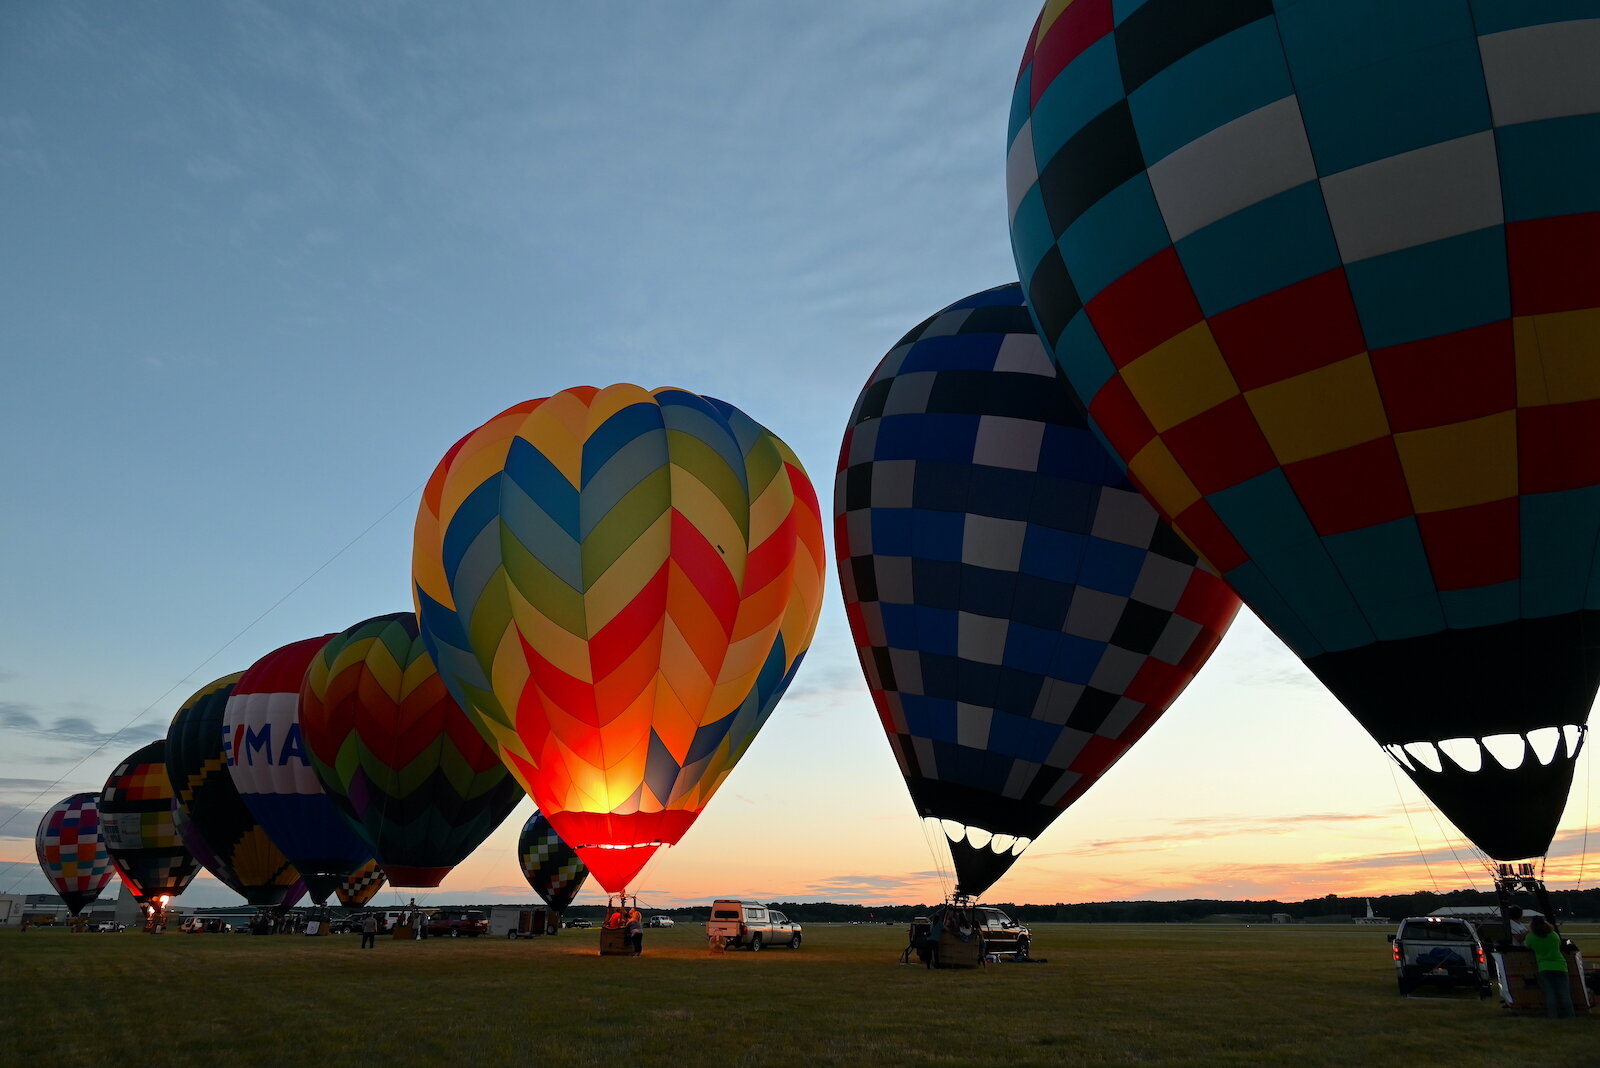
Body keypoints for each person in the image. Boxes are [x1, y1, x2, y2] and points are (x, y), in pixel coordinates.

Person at [1525, 918, 1574, 1019]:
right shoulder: (1553, 935)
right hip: (1560, 966)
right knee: (1564, 993)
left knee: (1550, 993)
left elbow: (1527, 946)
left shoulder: (1530, 937)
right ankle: (1570, 1015)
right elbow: (1559, 944)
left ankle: (1553, 1016)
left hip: (1544, 967)